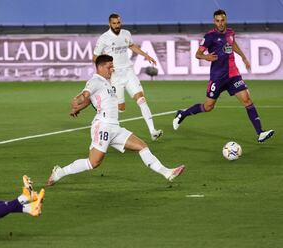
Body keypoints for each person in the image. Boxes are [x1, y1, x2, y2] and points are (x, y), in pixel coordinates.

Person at [47, 55, 184, 186]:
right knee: (93, 163)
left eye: (112, 66)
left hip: (115, 127)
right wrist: (77, 101)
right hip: (103, 126)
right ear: (100, 67)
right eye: (109, 67)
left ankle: (167, 172)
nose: (112, 69)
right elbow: (86, 95)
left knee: (142, 146)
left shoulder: (106, 82)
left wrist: (80, 108)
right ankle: (60, 172)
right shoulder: (95, 81)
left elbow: (91, 99)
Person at [173, 9, 274, 143]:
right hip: (218, 78)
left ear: (226, 20)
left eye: (222, 20)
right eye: (217, 21)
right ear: (214, 21)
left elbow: (232, 44)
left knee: (247, 100)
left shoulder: (231, 32)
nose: (220, 23)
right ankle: (183, 114)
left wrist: (243, 57)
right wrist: (206, 56)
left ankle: (260, 133)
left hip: (233, 75)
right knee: (208, 107)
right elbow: (197, 54)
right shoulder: (209, 37)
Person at [93, 13, 163, 141]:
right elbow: (95, 57)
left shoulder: (126, 33)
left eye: (118, 23)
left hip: (129, 72)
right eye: (114, 23)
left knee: (141, 99)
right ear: (109, 24)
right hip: (115, 76)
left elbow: (131, 45)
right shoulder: (104, 38)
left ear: (121, 22)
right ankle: (106, 125)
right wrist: (104, 73)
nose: (116, 25)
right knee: (121, 108)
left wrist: (146, 55)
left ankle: (153, 131)